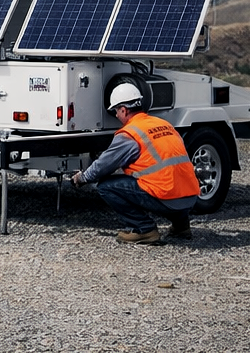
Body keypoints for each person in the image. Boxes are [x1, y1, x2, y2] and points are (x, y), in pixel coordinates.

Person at [71, 82, 200, 244]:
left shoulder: (130, 134)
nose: (116, 115)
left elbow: (102, 166)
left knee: (105, 186)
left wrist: (82, 178)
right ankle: (181, 225)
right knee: (167, 178)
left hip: (167, 197)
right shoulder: (163, 124)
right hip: (189, 197)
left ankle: (144, 230)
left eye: (116, 111)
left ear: (124, 110)